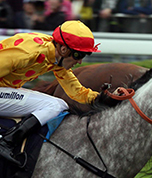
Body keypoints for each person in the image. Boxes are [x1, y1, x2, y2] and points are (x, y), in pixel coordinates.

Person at [0, 21, 101, 167]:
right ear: (64, 49)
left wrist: (102, 97)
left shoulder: (55, 57)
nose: (79, 62)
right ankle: (7, 141)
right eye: (79, 55)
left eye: (85, 55)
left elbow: (77, 92)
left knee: (56, 104)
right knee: (54, 105)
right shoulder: (29, 52)